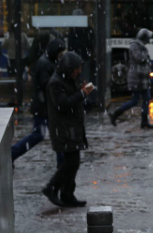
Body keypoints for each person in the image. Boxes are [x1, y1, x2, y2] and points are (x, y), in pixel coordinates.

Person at [42, 52, 94, 207]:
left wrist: (81, 91)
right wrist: (81, 94)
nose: (79, 71)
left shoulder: (67, 80)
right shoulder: (55, 83)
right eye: (77, 68)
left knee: (73, 162)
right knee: (71, 162)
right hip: (64, 128)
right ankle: (53, 188)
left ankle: (66, 194)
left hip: (71, 127)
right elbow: (63, 104)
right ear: (69, 68)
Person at [11, 38, 66, 165]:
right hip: (44, 107)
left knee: (47, 134)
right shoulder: (46, 64)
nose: (61, 56)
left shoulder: (47, 62)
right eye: (60, 53)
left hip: (44, 106)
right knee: (46, 135)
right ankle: (12, 153)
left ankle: (62, 162)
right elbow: (47, 85)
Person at [109, 28, 153, 129]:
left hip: (143, 78)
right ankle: (115, 114)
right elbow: (140, 58)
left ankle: (144, 121)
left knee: (146, 98)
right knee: (135, 101)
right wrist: (145, 53)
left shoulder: (141, 46)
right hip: (136, 78)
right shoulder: (135, 46)